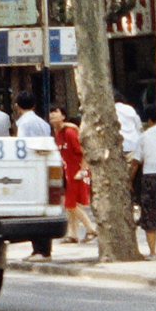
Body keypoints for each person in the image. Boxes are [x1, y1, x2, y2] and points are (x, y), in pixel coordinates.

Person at [45, 106, 92, 258]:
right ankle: (72, 234)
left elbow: (84, 151)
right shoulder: (57, 133)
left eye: (56, 115)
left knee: (70, 203)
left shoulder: (70, 133)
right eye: (51, 116)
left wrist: (83, 170)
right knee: (68, 203)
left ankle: (91, 229)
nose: (53, 118)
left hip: (76, 171)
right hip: (65, 172)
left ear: (63, 116)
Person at [135, 115, 156, 256]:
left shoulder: (144, 136)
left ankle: (153, 252)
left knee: (149, 215)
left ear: (150, 120)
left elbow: (136, 161)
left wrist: (130, 180)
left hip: (150, 176)